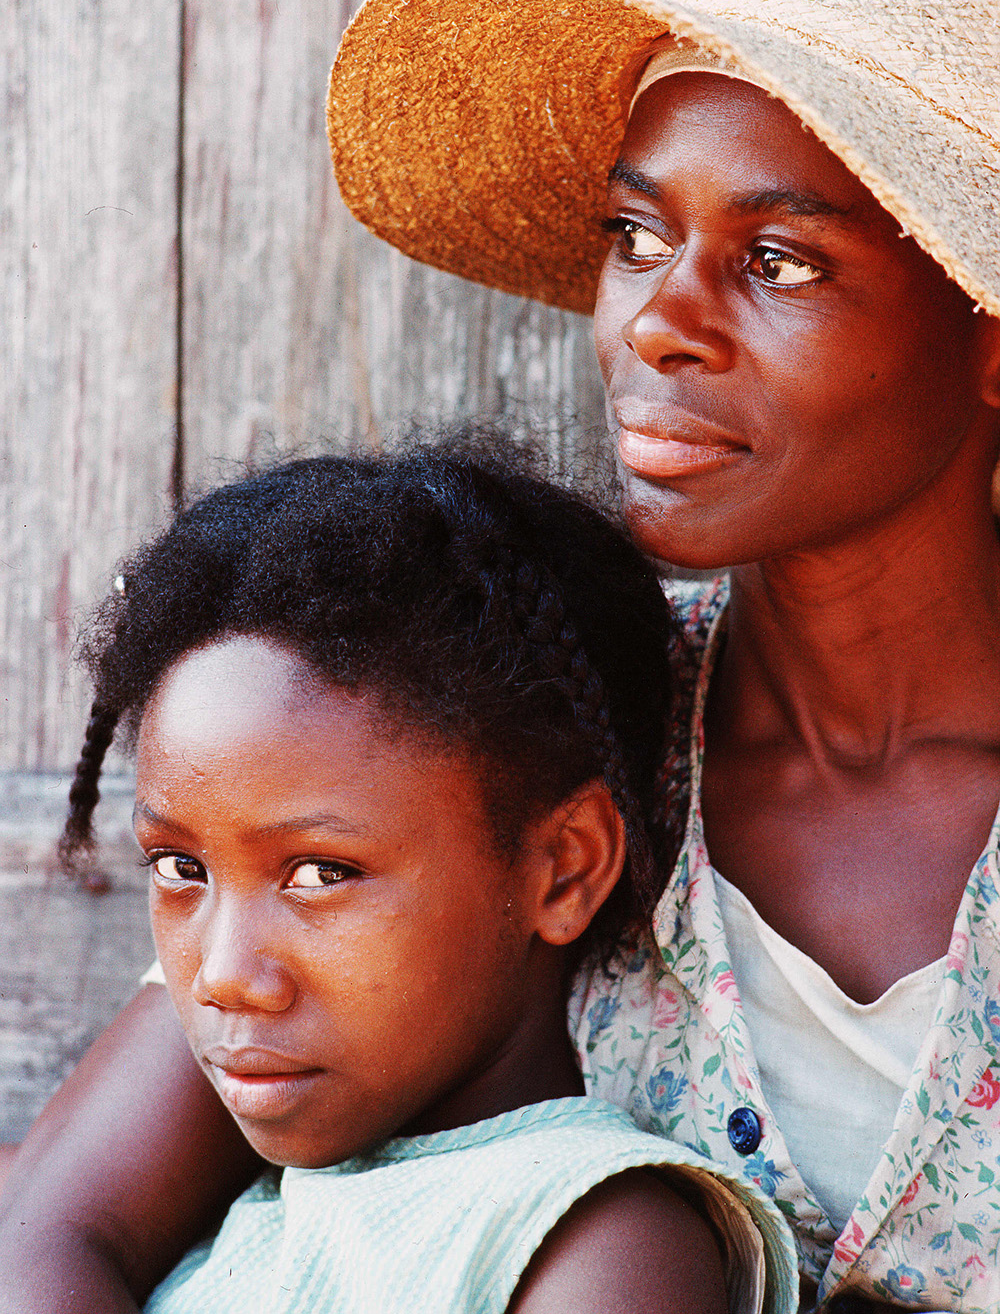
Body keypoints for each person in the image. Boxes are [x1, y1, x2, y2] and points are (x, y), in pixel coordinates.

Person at [1, 0, 997, 1314]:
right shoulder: (517, 707)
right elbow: (52, 1232)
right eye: (635, 232)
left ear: (986, 333)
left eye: (779, 258)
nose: (658, 322)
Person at [53, 438, 794, 1313]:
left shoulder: (599, 1243)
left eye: (321, 874)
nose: (222, 976)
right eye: (181, 867)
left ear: (563, 870)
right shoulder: (275, 1195)